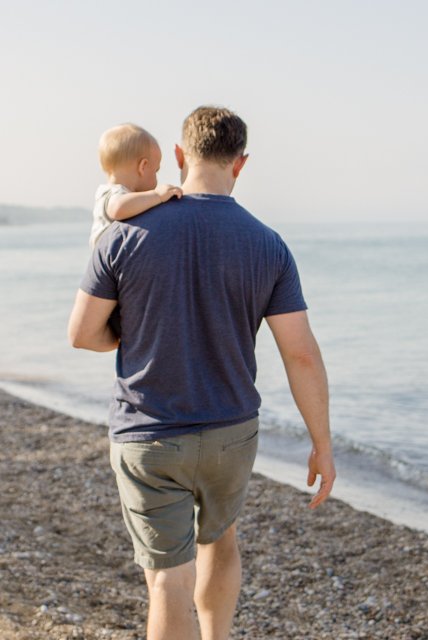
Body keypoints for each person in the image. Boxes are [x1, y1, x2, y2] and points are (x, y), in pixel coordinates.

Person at [68, 106, 336, 640]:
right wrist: (321, 444)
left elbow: (82, 334)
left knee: (168, 579)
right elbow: (300, 353)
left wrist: (134, 333)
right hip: (231, 433)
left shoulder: (122, 235)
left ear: (178, 155)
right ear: (241, 164)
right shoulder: (268, 244)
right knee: (221, 539)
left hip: (149, 432)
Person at [89, 122, 183, 247]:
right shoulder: (115, 193)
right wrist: (157, 195)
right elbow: (117, 208)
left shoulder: (110, 193)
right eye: (156, 171)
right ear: (142, 166)